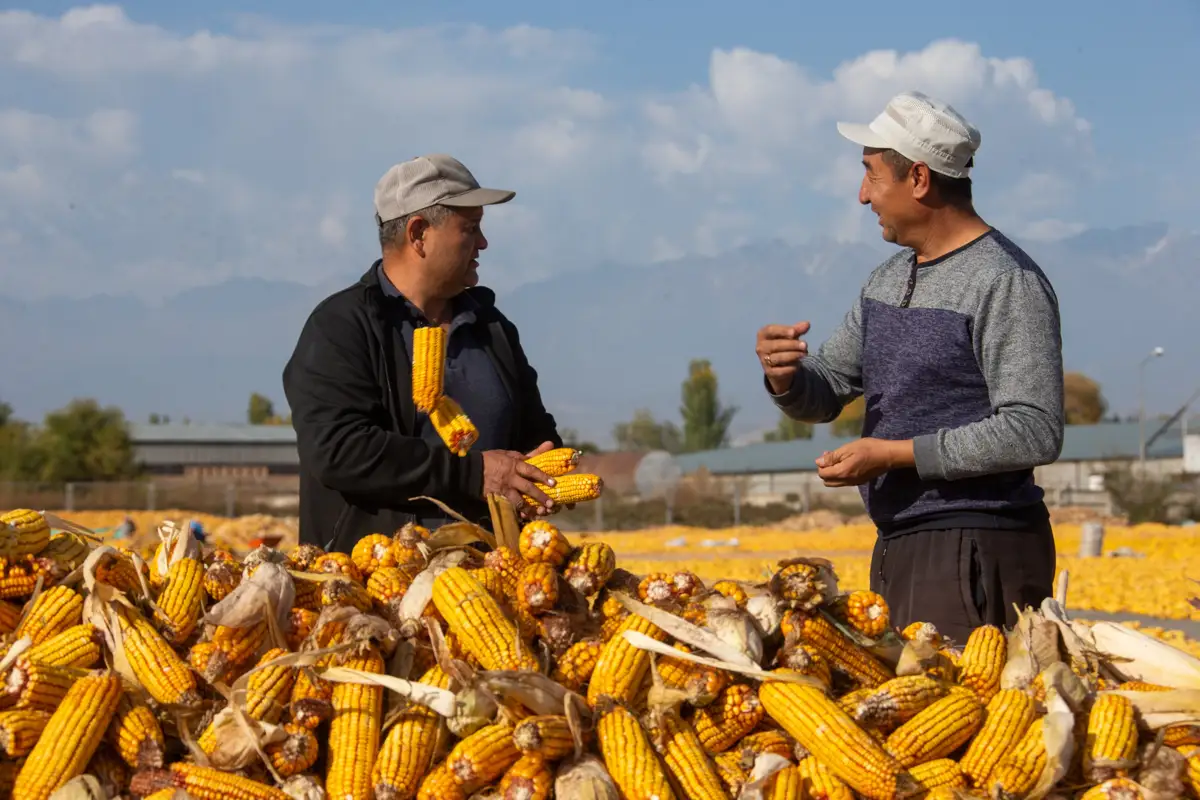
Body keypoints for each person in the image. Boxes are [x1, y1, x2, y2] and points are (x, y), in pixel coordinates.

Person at [755, 91, 1065, 643]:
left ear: (918, 179)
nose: (861, 195)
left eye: (871, 176)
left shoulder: (1004, 281)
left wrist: (896, 456)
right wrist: (785, 377)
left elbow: (1033, 429)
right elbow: (826, 388)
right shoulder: (887, 280)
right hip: (900, 540)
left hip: (975, 545)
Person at [283, 154, 563, 553]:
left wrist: (543, 470)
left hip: (489, 584)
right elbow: (340, 450)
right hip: (379, 586)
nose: (483, 243)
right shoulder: (341, 327)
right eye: (470, 228)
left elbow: (538, 433)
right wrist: (475, 473)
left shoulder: (493, 329)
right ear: (419, 234)